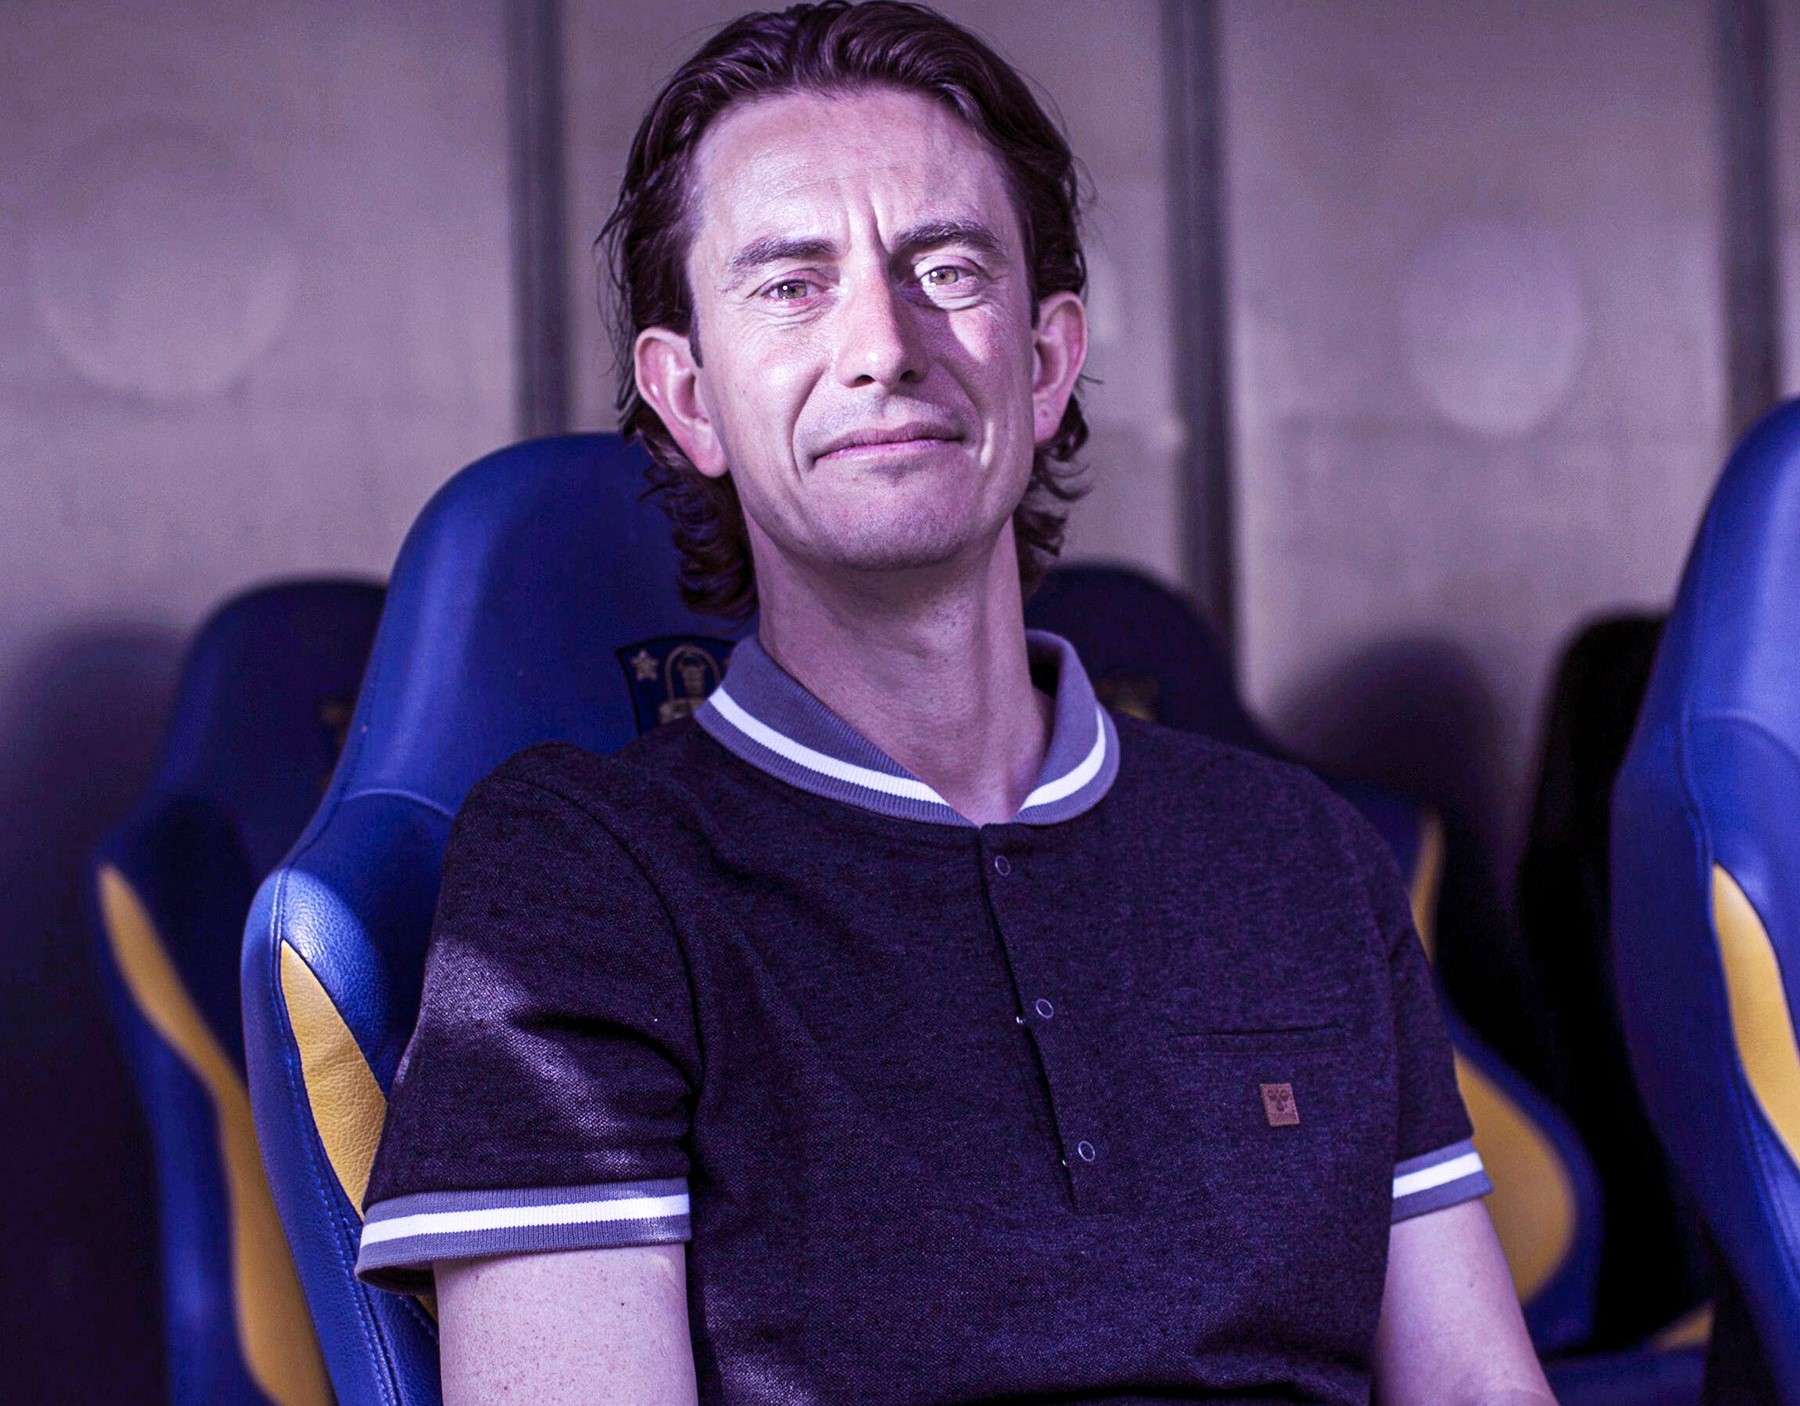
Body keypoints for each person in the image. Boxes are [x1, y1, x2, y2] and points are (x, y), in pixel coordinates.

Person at [353, 3, 1556, 1402]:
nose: (885, 343)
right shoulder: (583, 877)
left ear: (1044, 363)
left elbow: (1479, 1387)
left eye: (945, 268)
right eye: (790, 285)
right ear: (690, 400)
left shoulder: (1299, 853)